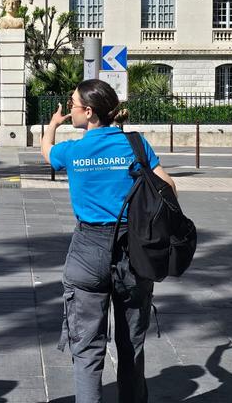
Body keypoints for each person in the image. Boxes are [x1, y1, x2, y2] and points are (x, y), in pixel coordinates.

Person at [41, 79, 177, 403]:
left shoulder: (73, 151)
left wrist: (51, 126)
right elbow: (168, 186)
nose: (70, 108)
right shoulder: (134, 144)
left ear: (88, 112)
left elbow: (47, 155)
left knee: (87, 348)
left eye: (73, 105)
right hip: (133, 250)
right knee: (131, 344)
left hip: (87, 250)